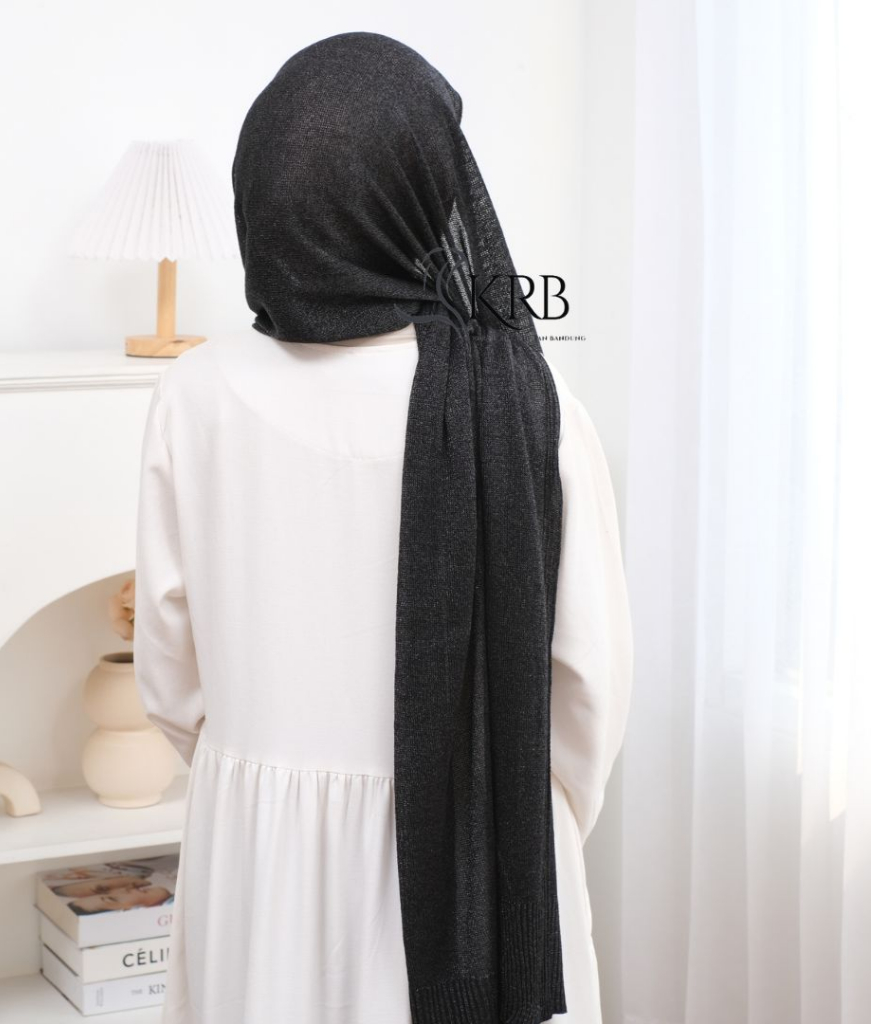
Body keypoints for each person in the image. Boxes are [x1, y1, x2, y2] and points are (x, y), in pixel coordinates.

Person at [133, 31, 632, 1024]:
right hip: (486, 862)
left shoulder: (194, 393)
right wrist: (517, 822)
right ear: (431, 187)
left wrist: (260, 783)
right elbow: (586, 685)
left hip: (258, 869)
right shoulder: (530, 403)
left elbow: (169, 672)